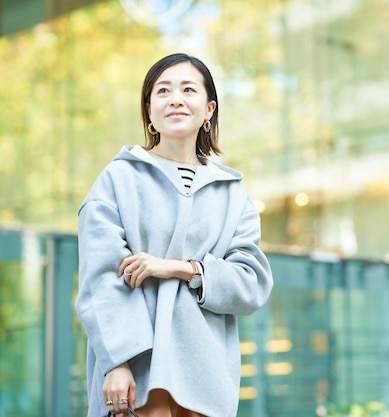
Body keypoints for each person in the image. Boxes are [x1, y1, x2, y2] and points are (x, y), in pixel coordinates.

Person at [75, 52, 273, 417]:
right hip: (139, 373)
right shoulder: (118, 179)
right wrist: (116, 361)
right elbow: (100, 278)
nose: (176, 99)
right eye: (163, 91)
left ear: (209, 108)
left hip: (207, 377)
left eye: (188, 89)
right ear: (149, 111)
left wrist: (183, 268)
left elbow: (251, 284)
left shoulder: (233, 194)